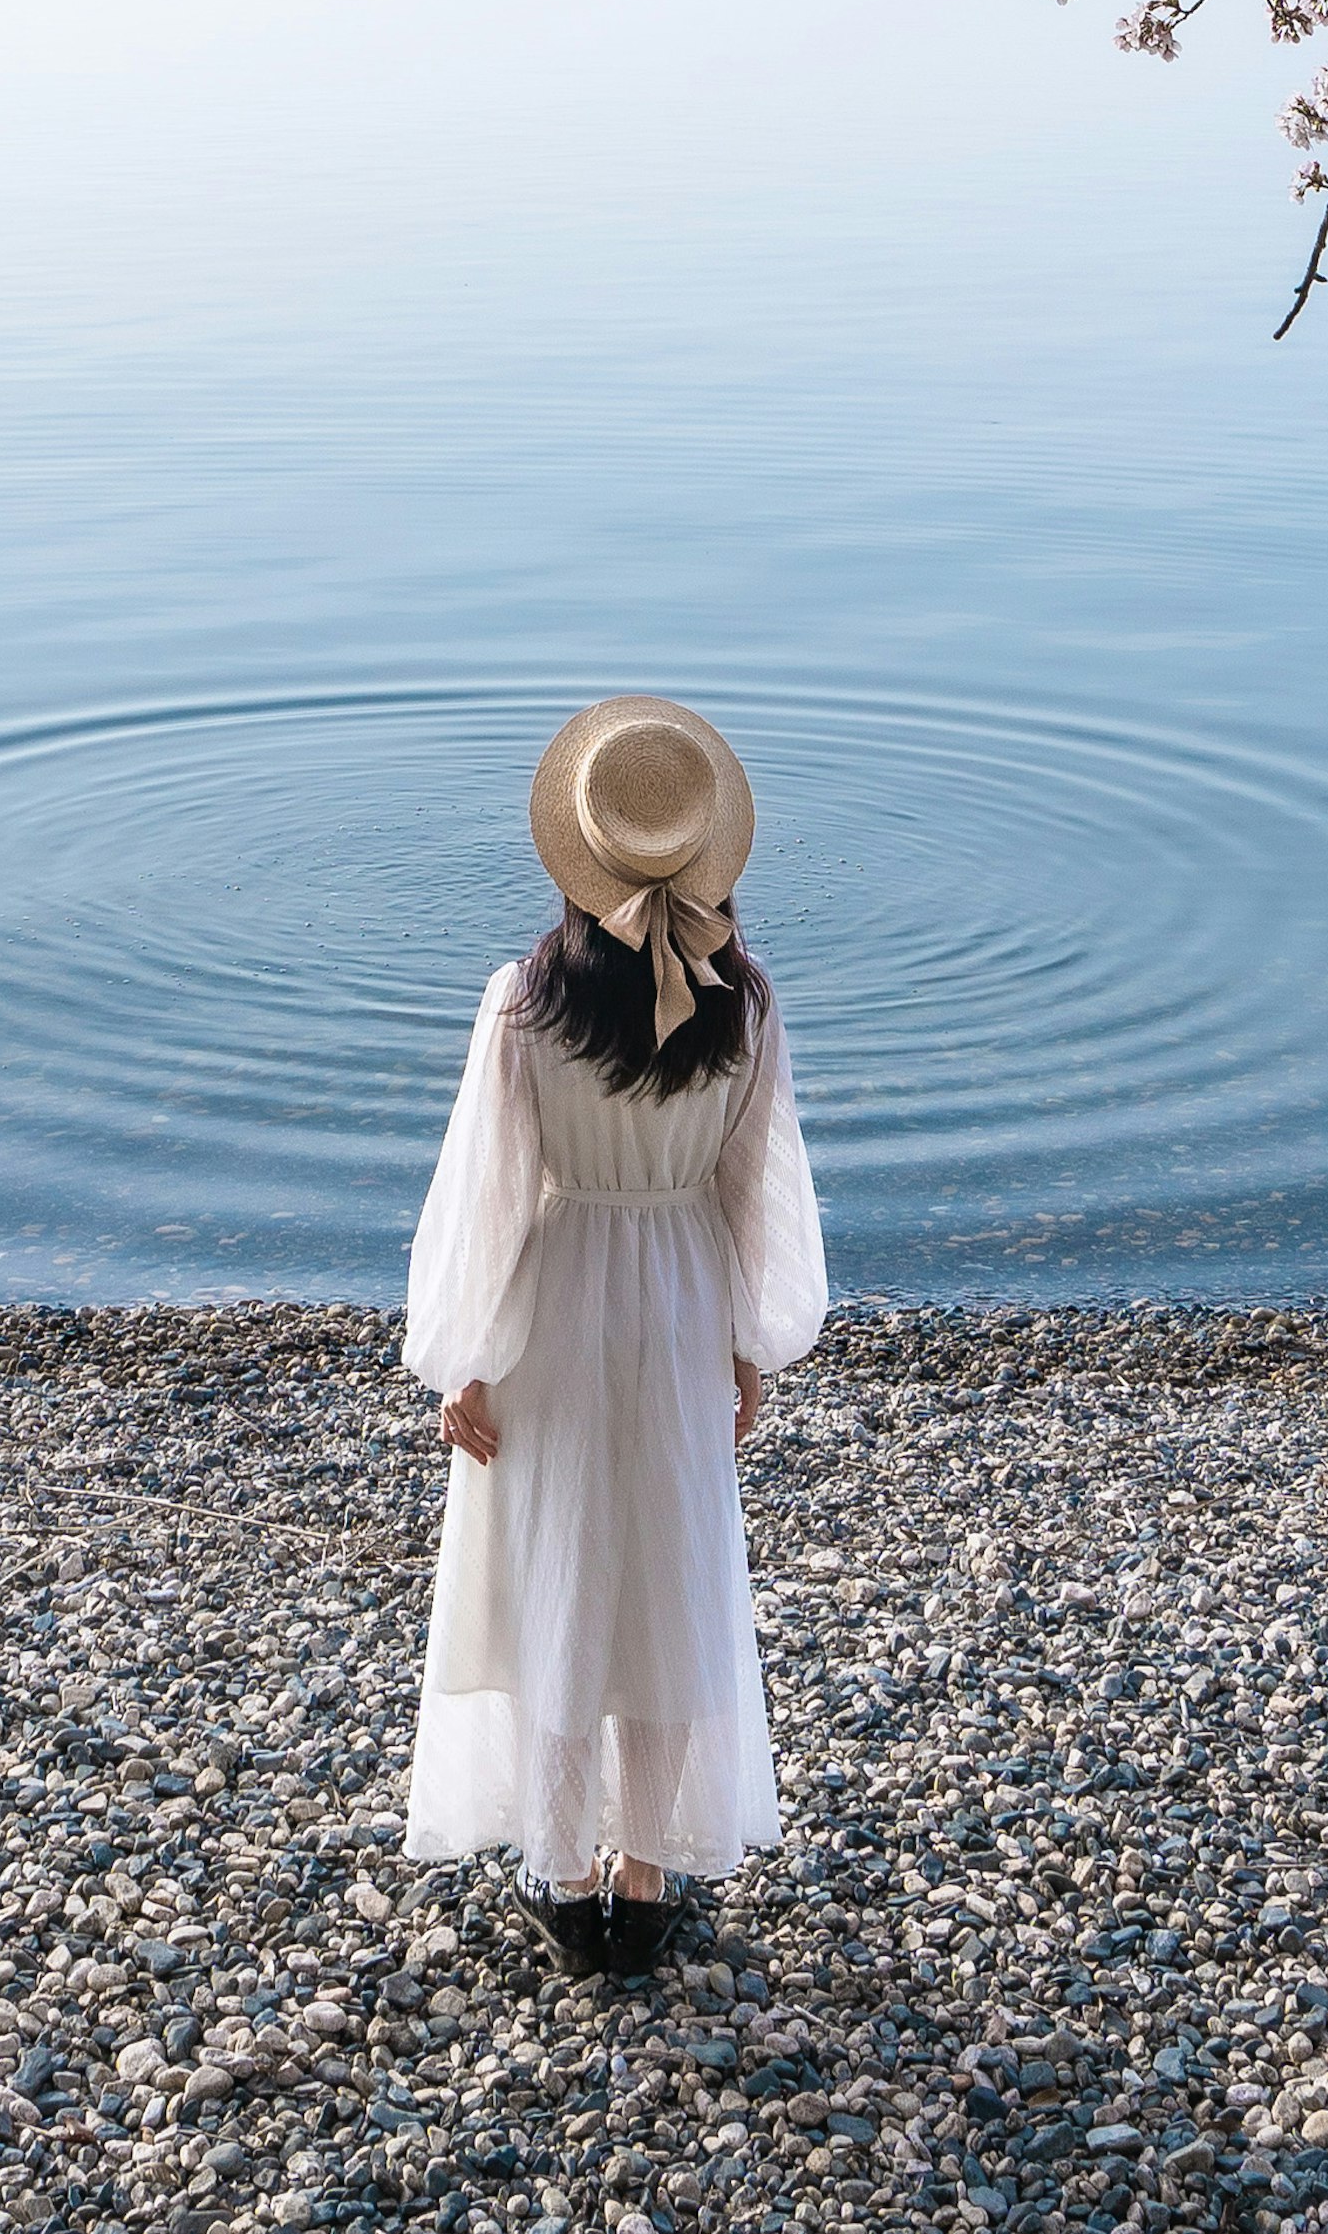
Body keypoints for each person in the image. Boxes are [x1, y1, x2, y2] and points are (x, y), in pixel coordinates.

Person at [398, 693, 830, 1982]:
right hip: (682, 1291)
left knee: (553, 1570)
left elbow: (483, 1192)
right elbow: (755, 1188)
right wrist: (750, 1341)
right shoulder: (744, 1007)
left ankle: (557, 1865)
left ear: (576, 857)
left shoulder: (523, 1005)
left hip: (559, 1297)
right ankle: (644, 1879)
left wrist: (463, 1352)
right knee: (665, 1575)